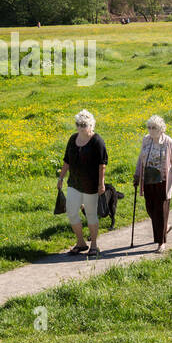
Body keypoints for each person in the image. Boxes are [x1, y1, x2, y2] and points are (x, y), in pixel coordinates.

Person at [56, 109, 108, 256]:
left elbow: (102, 165)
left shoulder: (97, 141)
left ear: (91, 125)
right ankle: (80, 243)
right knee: (72, 212)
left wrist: (101, 184)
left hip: (91, 185)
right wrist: (61, 178)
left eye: (84, 124)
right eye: (78, 124)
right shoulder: (73, 139)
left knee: (91, 214)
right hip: (74, 183)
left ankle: (94, 245)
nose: (81, 127)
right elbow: (66, 161)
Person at [134, 115, 172, 253]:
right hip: (148, 180)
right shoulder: (146, 140)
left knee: (161, 211)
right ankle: (164, 227)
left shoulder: (168, 142)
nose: (151, 130)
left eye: (154, 128)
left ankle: (161, 243)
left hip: (163, 181)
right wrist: (137, 174)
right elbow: (141, 158)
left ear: (161, 129)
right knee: (150, 208)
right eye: (149, 127)